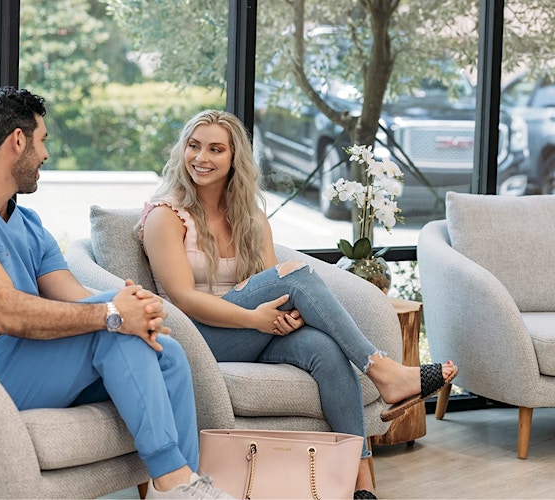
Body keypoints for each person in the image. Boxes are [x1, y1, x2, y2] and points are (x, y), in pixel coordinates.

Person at [137, 109, 459, 499]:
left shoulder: (250, 215)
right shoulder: (166, 216)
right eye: (194, 146)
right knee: (297, 275)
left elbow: (272, 284)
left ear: (234, 158)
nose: (201, 158)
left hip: (249, 330)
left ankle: (361, 484)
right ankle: (383, 369)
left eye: (215, 149)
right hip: (195, 338)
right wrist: (256, 318)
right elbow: (185, 300)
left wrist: (281, 318)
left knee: (325, 350)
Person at [0, 87, 231, 499]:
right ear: (18, 140)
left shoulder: (26, 221)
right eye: (42, 140)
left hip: (32, 358)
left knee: (165, 353)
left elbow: (74, 296)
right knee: (113, 327)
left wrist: (135, 310)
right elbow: (5, 313)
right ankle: (174, 479)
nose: (45, 155)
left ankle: (180, 489)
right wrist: (113, 314)